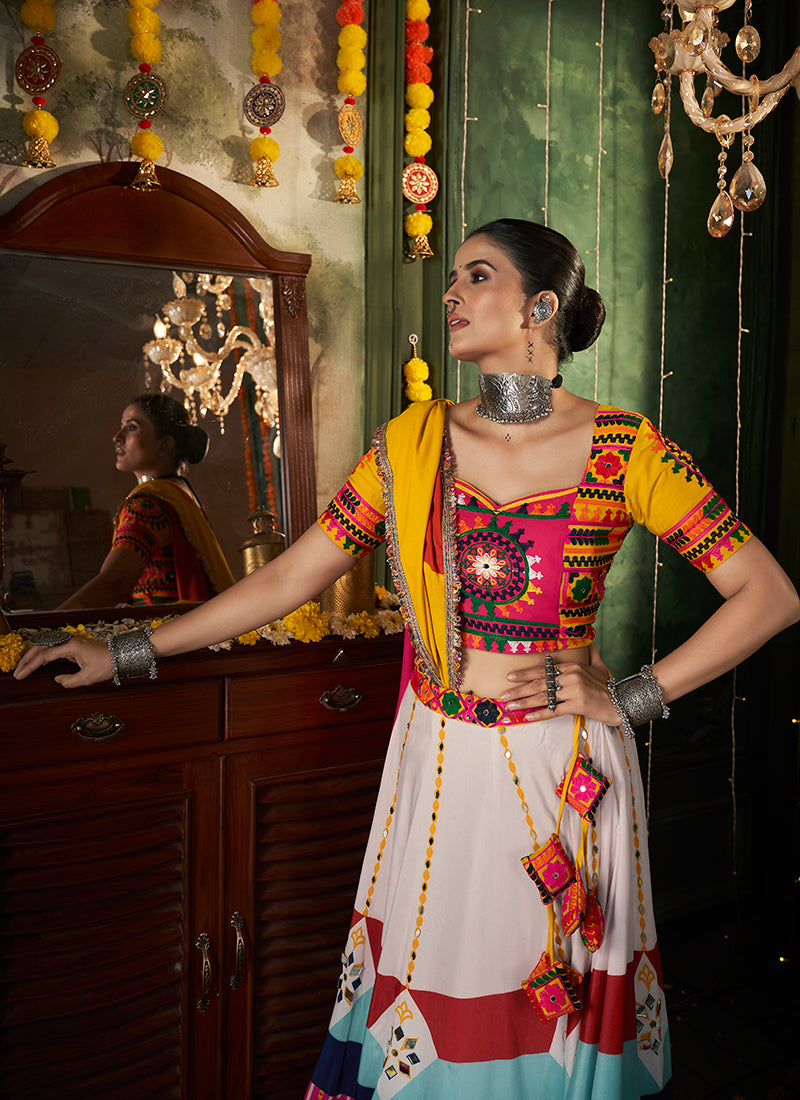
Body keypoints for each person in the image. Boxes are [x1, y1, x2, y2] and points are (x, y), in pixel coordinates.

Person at [15, 220, 799, 1099]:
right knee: (434, 1008)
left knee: (549, 1012)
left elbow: (770, 595)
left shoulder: (624, 448)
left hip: (559, 774)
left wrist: (632, 697)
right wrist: (124, 649)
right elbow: (286, 580)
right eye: (452, 276)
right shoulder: (411, 443)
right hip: (438, 764)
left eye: (477, 276)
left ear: (541, 306)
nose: (451, 293)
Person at [58, 393, 234, 609]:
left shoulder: (148, 504)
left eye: (132, 427)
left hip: (165, 637)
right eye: (122, 426)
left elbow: (115, 583)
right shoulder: (181, 495)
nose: (117, 437)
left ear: (166, 445)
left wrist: (47, 628)